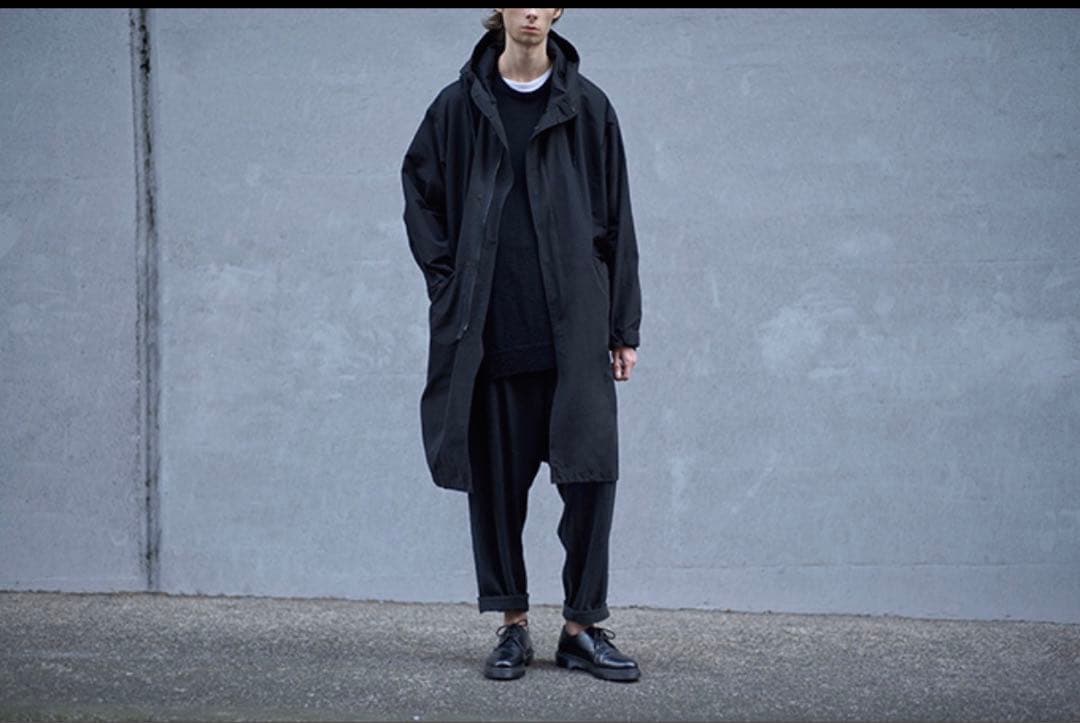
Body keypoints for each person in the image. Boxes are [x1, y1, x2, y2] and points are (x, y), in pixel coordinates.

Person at [401, 7, 643, 683]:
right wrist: (448, 284)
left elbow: (618, 219)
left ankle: (581, 628)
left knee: (591, 479)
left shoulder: (588, 108)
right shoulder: (458, 107)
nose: (531, 10)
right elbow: (419, 192)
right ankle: (511, 626)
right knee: (496, 490)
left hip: (575, 335)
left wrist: (623, 327)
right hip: (492, 335)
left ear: (557, 10)